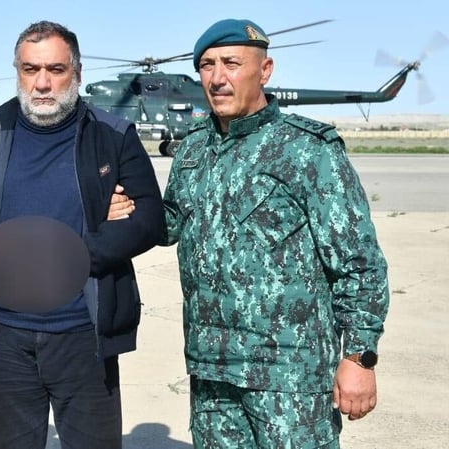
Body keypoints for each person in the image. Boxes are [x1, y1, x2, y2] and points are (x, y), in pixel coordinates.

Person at [0, 20, 164, 449]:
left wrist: (75, 254)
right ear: (16, 72)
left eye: (55, 70)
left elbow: (149, 219)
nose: (41, 83)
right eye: (29, 69)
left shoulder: (112, 136)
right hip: (2, 338)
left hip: (85, 336)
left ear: (77, 72)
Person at [159, 18, 390, 448]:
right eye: (207, 66)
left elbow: (360, 263)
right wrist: (121, 203)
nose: (218, 77)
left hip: (289, 377)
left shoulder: (307, 149)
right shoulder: (192, 149)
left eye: (231, 63)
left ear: (264, 71)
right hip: (212, 373)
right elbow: (169, 223)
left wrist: (359, 357)